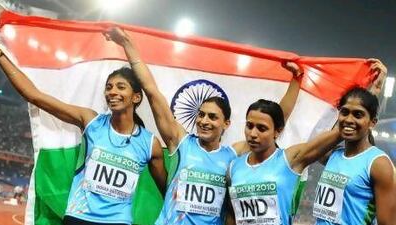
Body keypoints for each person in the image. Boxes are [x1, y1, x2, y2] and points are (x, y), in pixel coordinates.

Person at [104, 27, 303, 225]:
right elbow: (151, 91)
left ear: (226, 124)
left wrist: (296, 80)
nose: (204, 121)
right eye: (201, 115)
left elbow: (274, 118)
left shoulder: (233, 155)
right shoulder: (180, 142)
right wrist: (128, 45)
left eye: (212, 117)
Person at [0, 45, 166, 225]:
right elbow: (34, 96)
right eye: (108, 87)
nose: (112, 92)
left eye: (120, 87)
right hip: (79, 217)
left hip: (118, 221)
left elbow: (167, 191)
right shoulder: (91, 122)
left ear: (136, 97)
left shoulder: (149, 144)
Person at [226, 97, 340, 225]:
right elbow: (232, 215)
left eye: (261, 128)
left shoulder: (289, 159)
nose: (253, 133)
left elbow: (335, 135)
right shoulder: (233, 167)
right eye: (249, 126)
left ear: (277, 131)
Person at [313, 87, 395, 225]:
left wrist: (373, 93)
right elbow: (326, 141)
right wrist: (371, 88)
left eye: (358, 115)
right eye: (344, 112)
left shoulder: (378, 164)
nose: (349, 119)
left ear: (372, 122)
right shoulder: (332, 155)